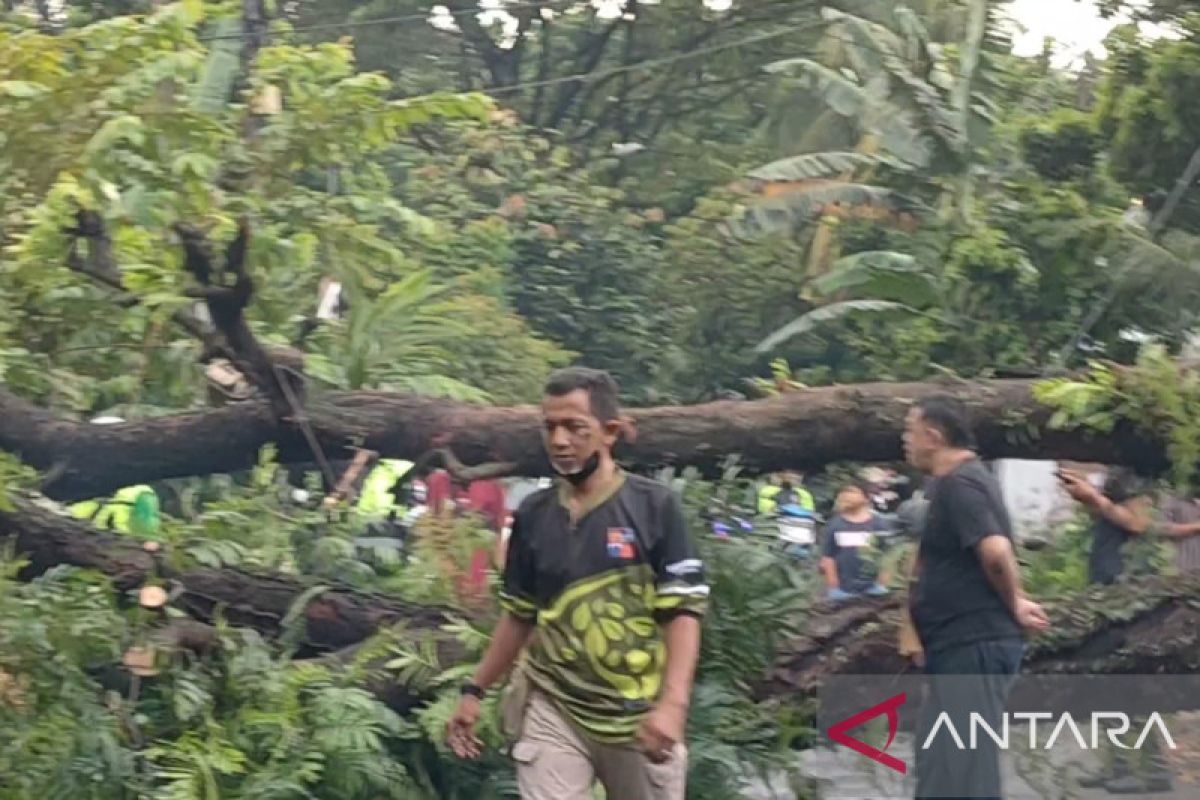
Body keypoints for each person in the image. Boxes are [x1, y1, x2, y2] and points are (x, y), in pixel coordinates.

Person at [446, 368, 707, 800]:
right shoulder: (533, 514)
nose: (560, 441)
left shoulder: (655, 508)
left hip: (635, 716)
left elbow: (682, 613)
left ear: (610, 432)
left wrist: (673, 705)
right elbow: (519, 615)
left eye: (574, 428)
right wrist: (474, 691)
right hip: (554, 708)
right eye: (550, 427)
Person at [902, 395, 1050, 800]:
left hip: (975, 642)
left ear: (933, 436)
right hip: (953, 644)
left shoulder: (963, 482)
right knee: (937, 759)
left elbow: (996, 550)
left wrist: (1016, 601)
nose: (905, 441)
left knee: (969, 766)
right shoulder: (946, 485)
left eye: (909, 431)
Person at [1061, 467, 1172, 795]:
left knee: (1115, 686)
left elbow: (1137, 522)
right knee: (1129, 689)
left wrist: (1094, 497)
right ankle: (1149, 769)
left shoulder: (1138, 477)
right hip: (1113, 597)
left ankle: (1129, 768)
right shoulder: (1125, 477)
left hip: (1122, 601)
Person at [819, 482, 890, 602]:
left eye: (852, 491)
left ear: (866, 498)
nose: (846, 495)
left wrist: (882, 583)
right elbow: (828, 557)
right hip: (843, 589)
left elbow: (887, 556)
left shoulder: (879, 524)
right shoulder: (835, 524)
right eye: (844, 492)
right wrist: (833, 586)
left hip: (872, 588)